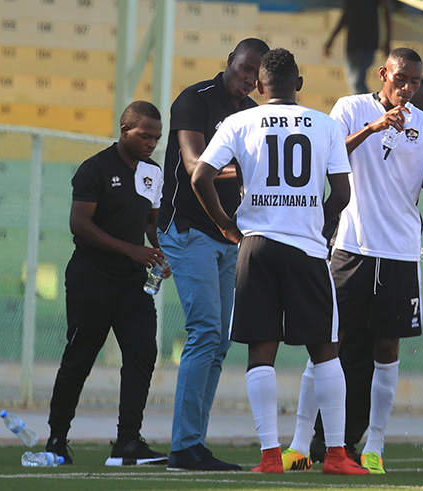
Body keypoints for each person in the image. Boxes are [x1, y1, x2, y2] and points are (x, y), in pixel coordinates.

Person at [190, 48, 369, 477]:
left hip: (256, 246)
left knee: (261, 351)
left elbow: (200, 176)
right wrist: (318, 222)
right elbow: (343, 194)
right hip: (306, 249)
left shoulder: (238, 121)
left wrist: (225, 225)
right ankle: (338, 456)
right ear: (299, 84)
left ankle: (270, 456)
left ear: (259, 86)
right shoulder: (325, 124)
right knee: (327, 352)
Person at [157, 38, 270, 471]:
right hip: (190, 230)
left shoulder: (249, 115)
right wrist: (241, 168)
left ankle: (193, 444)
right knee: (206, 332)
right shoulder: (194, 99)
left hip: (227, 235)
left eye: (255, 75)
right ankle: (184, 447)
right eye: (243, 68)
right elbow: (193, 163)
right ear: (229, 62)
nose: (247, 78)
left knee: (219, 341)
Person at [323, 47, 423, 475]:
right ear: (383, 73)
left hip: (401, 252)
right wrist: (373, 127)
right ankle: (323, 443)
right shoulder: (351, 108)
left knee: (387, 347)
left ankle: (376, 445)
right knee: (330, 341)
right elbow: (328, 158)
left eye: (415, 82)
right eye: (401, 78)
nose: (407, 88)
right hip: (352, 245)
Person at [45, 101, 168, 467]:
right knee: (79, 358)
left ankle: (128, 442)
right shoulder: (94, 169)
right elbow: (80, 224)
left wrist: (161, 251)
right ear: (124, 129)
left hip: (133, 284)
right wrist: (133, 250)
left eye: (157, 137)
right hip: (91, 279)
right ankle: (56, 440)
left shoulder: (152, 171)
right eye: (145, 135)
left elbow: (151, 222)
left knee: (142, 354)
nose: (151, 142)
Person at [324, 0, 392, 94]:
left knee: (357, 82)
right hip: (352, 43)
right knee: (353, 84)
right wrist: (331, 39)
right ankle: (363, 107)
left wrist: (387, 40)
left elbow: (386, 12)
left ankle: (369, 107)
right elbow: (346, 15)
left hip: (367, 42)